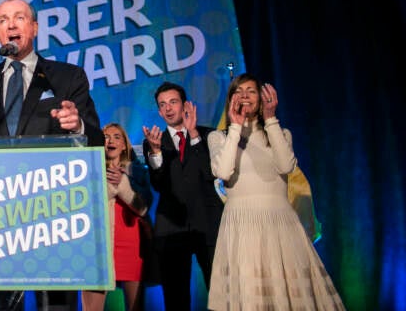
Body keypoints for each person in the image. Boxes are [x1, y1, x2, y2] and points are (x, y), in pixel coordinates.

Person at [0, 0, 104, 311]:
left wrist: (77, 127)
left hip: (51, 211)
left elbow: (96, 139)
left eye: (19, 17)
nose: (10, 24)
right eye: (3, 20)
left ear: (34, 27)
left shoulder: (67, 77)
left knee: (57, 306)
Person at [207, 73, 345, 310]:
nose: (245, 96)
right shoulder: (218, 137)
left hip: (279, 222)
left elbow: (285, 166)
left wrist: (271, 120)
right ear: (230, 100)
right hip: (242, 223)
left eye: (251, 90)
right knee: (251, 294)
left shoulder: (281, 134)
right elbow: (223, 171)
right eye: (238, 91)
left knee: (288, 292)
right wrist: (236, 127)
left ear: (262, 98)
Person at [141, 81, 223, 310]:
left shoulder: (208, 135)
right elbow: (158, 184)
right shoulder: (154, 144)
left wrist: (194, 135)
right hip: (172, 229)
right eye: (162, 105)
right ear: (158, 110)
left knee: (222, 294)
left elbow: (212, 173)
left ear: (185, 105)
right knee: (176, 299)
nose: (168, 109)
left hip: (208, 225)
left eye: (173, 102)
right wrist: (156, 153)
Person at [81, 123, 152, 311]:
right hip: (97, 249)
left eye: (116, 137)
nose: (110, 140)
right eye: (105, 137)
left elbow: (144, 207)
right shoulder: (87, 170)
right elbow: (85, 206)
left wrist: (123, 184)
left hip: (132, 248)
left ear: (124, 145)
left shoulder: (138, 171)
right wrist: (111, 185)